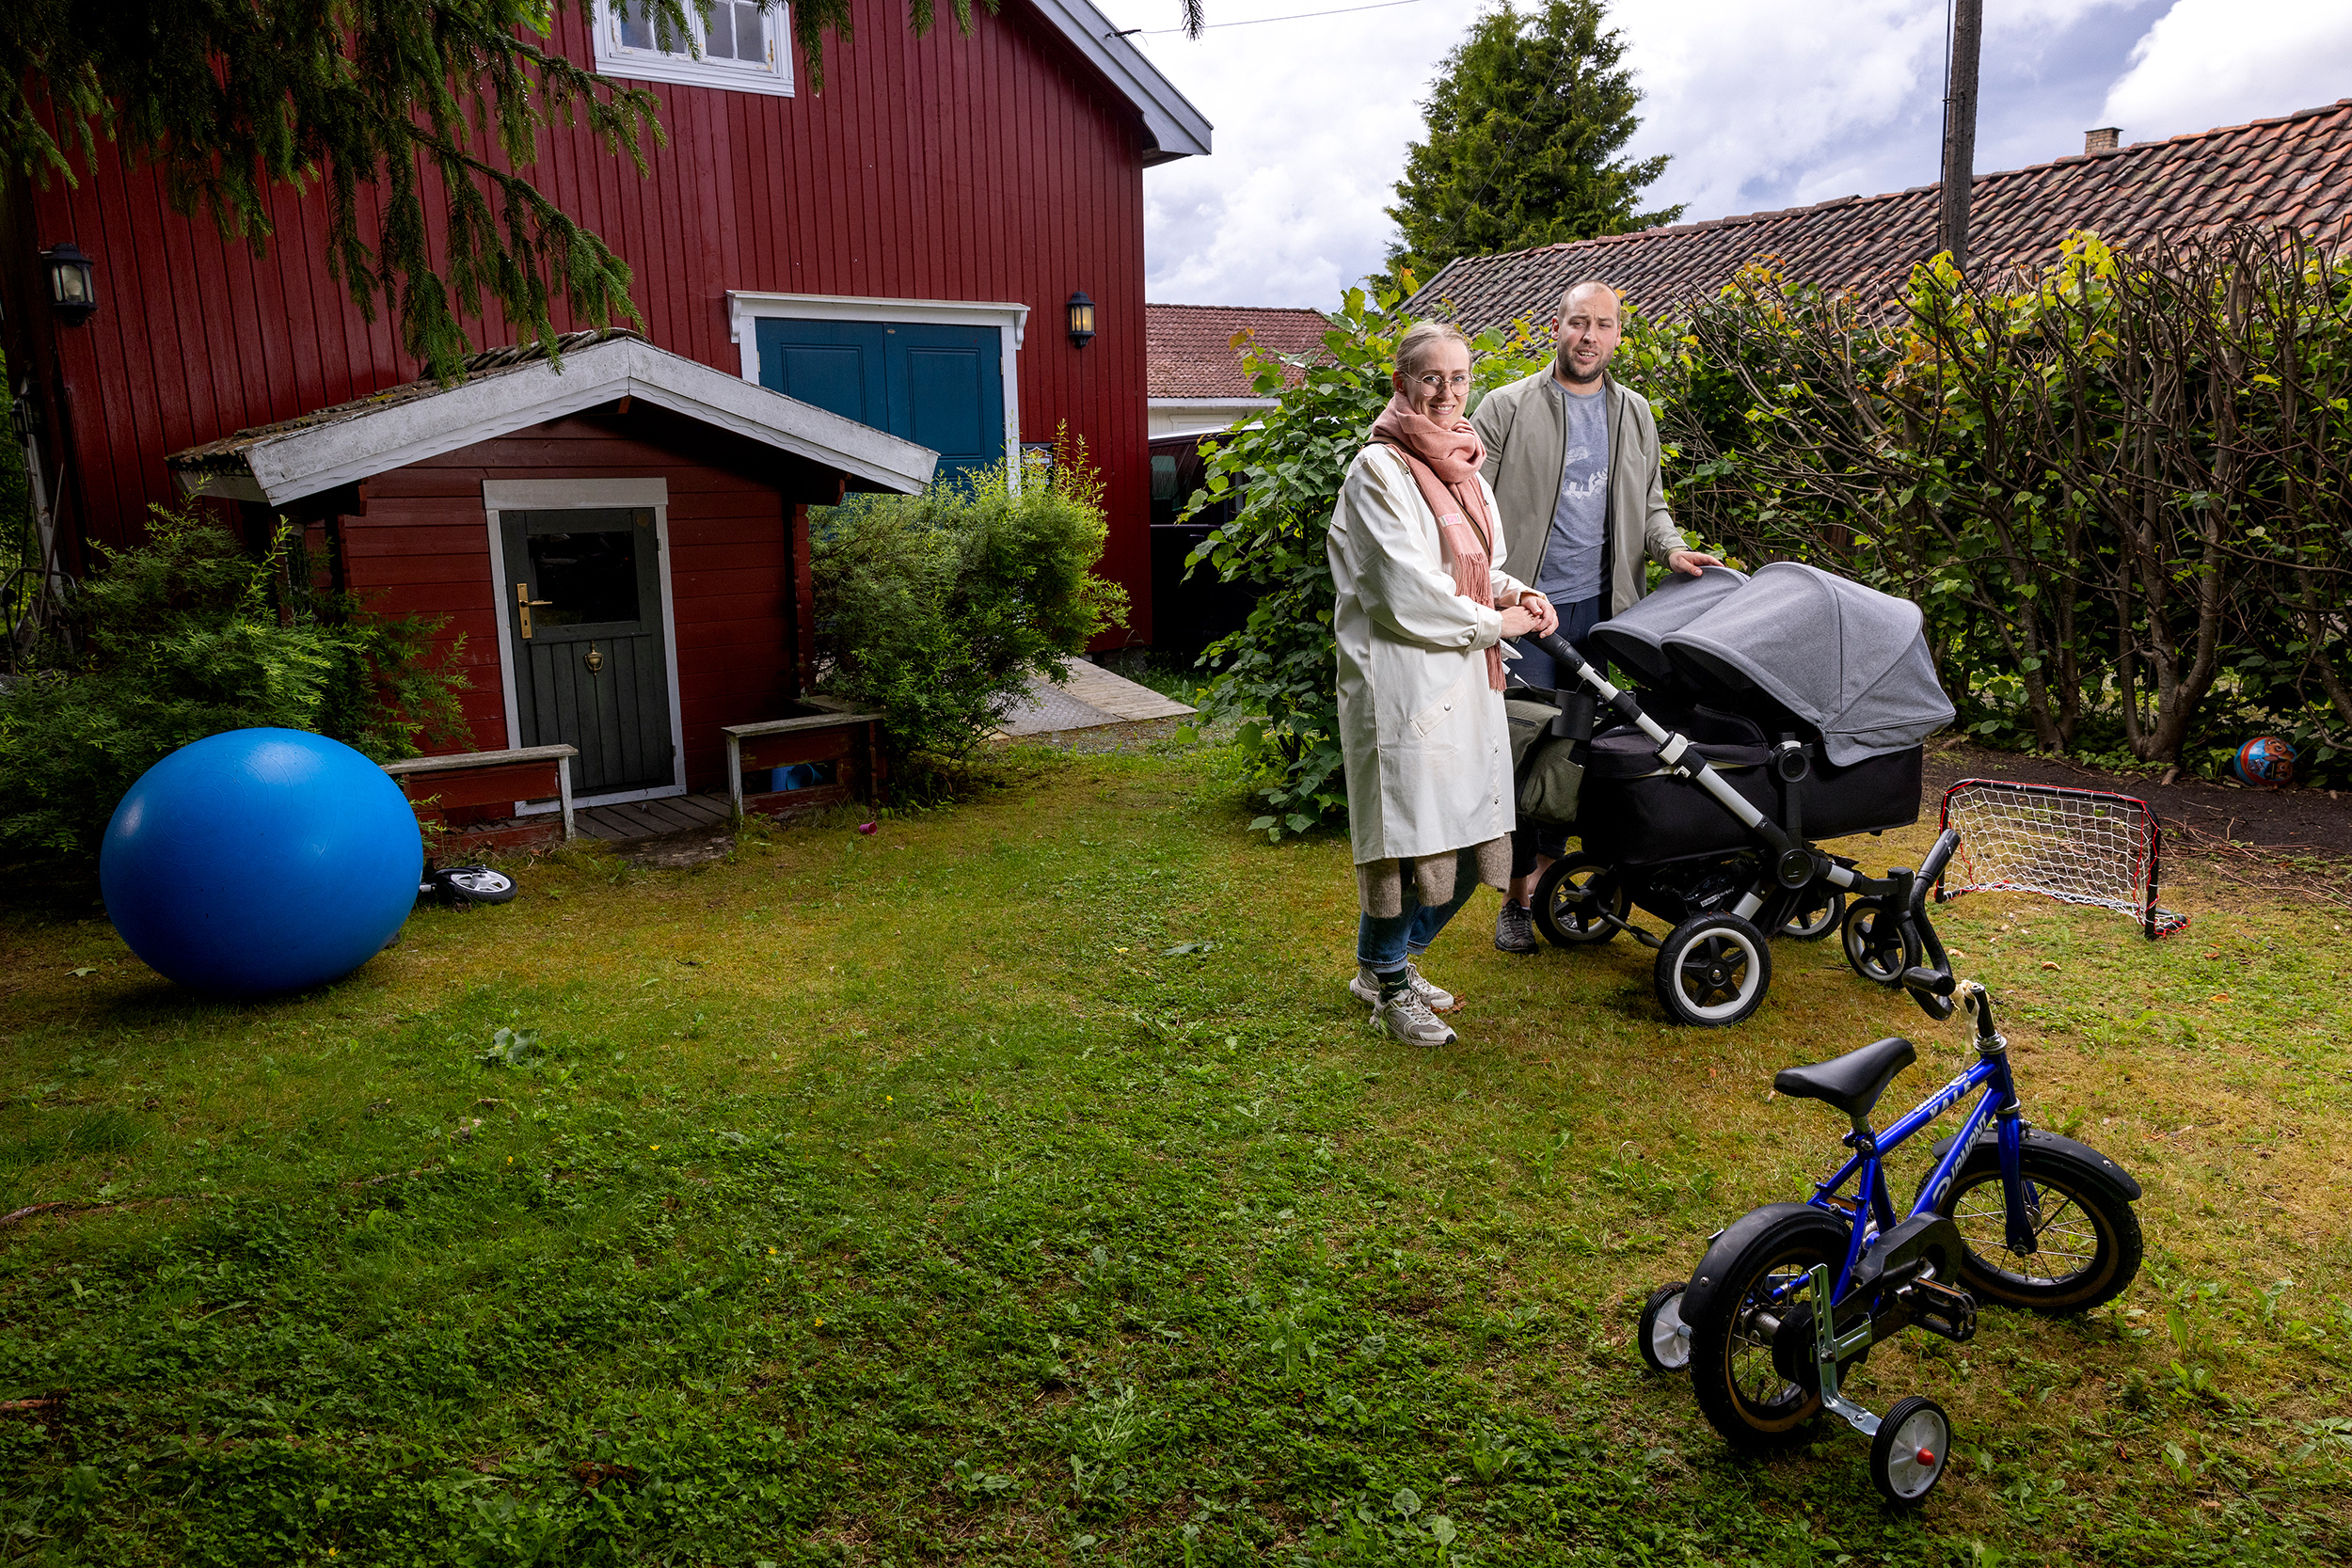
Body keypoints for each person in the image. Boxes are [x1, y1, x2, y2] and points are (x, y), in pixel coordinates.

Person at [1470, 280, 1723, 954]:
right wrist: (1492, 594)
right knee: (1525, 753)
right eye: (1577, 322)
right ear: (1556, 327)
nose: (1588, 336)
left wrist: (1670, 549)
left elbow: (1653, 502)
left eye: (1602, 325)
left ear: (1617, 336)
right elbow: (1467, 507)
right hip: (1524, 611)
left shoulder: (1635, 412)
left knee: (1580, 754)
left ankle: (1558, 885)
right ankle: (1517, 899)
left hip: (1606, 614)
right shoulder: (1506, 407)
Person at [1327, 320, 1560, 1046]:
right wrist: (1499, 625)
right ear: (1402, 383)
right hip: (1406, 683)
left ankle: (1388, 963)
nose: (1448, 392)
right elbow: (1404, 588)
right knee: (1412, 839)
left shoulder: (1463, 466)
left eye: (1460, 379)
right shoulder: (1379, 471)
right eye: (1432, 378)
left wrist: (1519, 591)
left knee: (1471, 835)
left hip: (1466, 676)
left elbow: (1473, 567)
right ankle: (1389, 984)